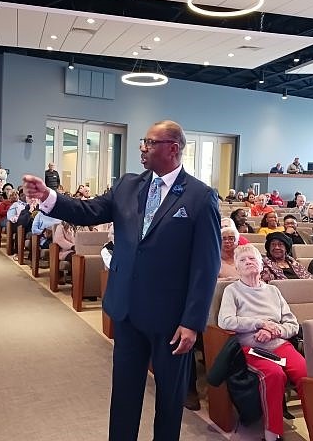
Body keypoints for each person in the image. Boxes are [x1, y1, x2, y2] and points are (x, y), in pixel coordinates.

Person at [23, 119, 221, 441]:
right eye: (142, 142)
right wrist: (50, 197)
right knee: (125, 394)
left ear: (173, 148)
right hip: (127, 310)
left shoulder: (200, 196)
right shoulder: (128, 185)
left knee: (170, 401)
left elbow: (206, 265)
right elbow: (88, 211)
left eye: (149, 142)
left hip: (171, 320)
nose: (142, 148)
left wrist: (192, 321)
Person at [218, 244, 306, 441]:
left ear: (261, 263)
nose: (248, 262)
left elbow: (292, 324)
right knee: (274, 375)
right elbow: (225, 321)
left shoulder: (273, 291)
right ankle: (272, 434)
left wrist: (274, 331)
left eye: (252, 259)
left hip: (280, 344)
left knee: (305, 373)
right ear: (237, 268)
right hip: (251, 348)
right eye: (243, 260)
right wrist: (259, 324)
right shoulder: (232, 291)